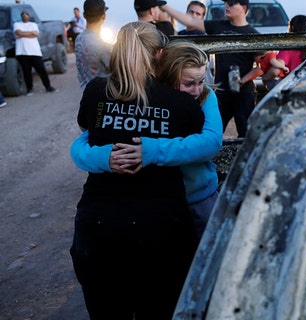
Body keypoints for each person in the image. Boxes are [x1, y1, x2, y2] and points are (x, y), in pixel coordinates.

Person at [70, 22, 204, 319]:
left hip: (98, 228)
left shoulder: (96, 90)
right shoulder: (181, 103)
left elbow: (86, 130)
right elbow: (205, 141)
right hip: (161, 231)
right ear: (159, 55)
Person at [71, 40, 223, 238]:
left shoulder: (205, 96)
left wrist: (152, 150)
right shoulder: (151, 98)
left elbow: (211, 142)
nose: (196, 89)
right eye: (188, 83)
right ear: (168, 76)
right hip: (158, 203)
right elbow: (85, 141)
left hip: (198, 196)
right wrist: (104, 157)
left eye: (201, 81)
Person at [161, 0, 264, 138]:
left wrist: (243, 80)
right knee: (210, 131)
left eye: (232, 3)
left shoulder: (252, 34)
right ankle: (213, 157)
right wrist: (163, 6)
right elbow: (190, 21)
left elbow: (262, 66)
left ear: (243, 8)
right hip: (221, 91)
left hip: (244, 93)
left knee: (246, 135)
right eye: (226, 2)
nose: (226, 5)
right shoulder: (218, 26)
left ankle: (241, 159)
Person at [261, 15, 306, 90]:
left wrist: (265, 77)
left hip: (291, 87)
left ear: (292, 28)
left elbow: (275, 71)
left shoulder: (289, 48)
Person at [13, 11, 58, 95]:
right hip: (23, 52)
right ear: (21, 17)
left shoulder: (33, 24)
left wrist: (22, 35)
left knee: (42, 70)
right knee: (27, 72)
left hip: (35, 52)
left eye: (26, 15)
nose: (25, 16)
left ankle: (48, 87)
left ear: (29, 16)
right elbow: (18, 32)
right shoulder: (17, 24)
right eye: (23, 15)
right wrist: (30, 33)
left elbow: (35, 34)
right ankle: (29, 89)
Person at [75, 0, 112, 90]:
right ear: (104, 16)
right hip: (102, 96)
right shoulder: (102, 45)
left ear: (84, 15)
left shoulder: (78, 39)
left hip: (86, 93)